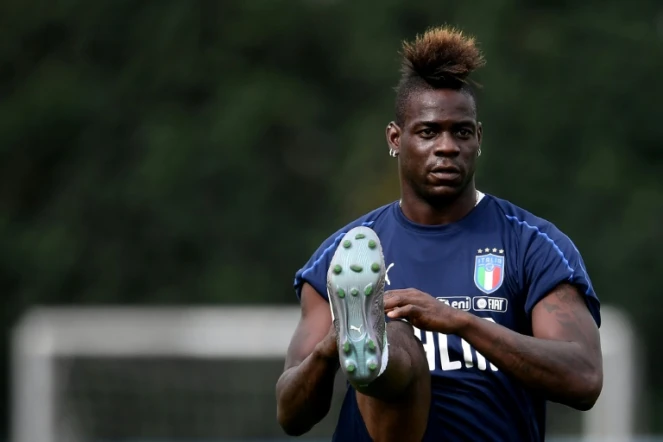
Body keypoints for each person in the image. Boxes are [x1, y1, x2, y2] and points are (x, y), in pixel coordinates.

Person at [275, 25, 603, 442]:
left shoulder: (533, 245)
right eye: (429, 132)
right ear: (396, 138)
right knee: (395, 339)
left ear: (478, 139)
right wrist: (330, 348)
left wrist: (460, 322)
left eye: (461, 132)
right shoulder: (348, 256)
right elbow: (291, 413)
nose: (447, 147)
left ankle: (379, 343)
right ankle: (371, 343)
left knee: (396, 338)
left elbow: (585, 377)